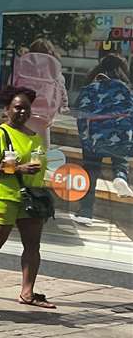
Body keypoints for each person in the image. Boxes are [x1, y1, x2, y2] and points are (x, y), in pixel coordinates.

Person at [0, 87, 54, 309]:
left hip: (32, 198)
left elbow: (41, 163)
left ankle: (27, 292)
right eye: (18, 107)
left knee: (32, 245)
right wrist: (19, 168)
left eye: (26, 108)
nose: (22, 112)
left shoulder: (35, 137)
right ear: (7, 109)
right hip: (4, 195)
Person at [73, 53, 133, 226]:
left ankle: (85, 212)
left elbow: (79, 112)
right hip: (119, 135)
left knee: (91, 171)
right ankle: (120, 176)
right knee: (120, 159)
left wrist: (84, 137)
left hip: (94, 135)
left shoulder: (91, 87)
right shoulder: (124, 88)